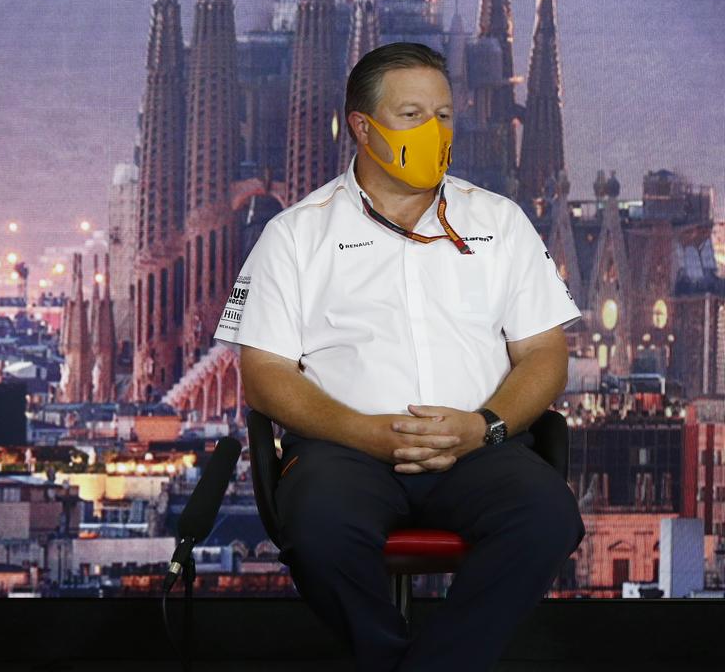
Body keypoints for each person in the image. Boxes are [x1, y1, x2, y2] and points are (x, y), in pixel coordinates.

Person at [216, 42, 584, 671]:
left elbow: (546, 352)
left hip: (479, 446)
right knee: (318, 530)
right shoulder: (296, 233)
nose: (437, 132)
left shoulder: (501, 222)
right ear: (364, 127)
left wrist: (484, 425)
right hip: (343, 450)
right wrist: (364, 431)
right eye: (414, 116)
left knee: (548, 519)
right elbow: (264, 375)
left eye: (445, 115)